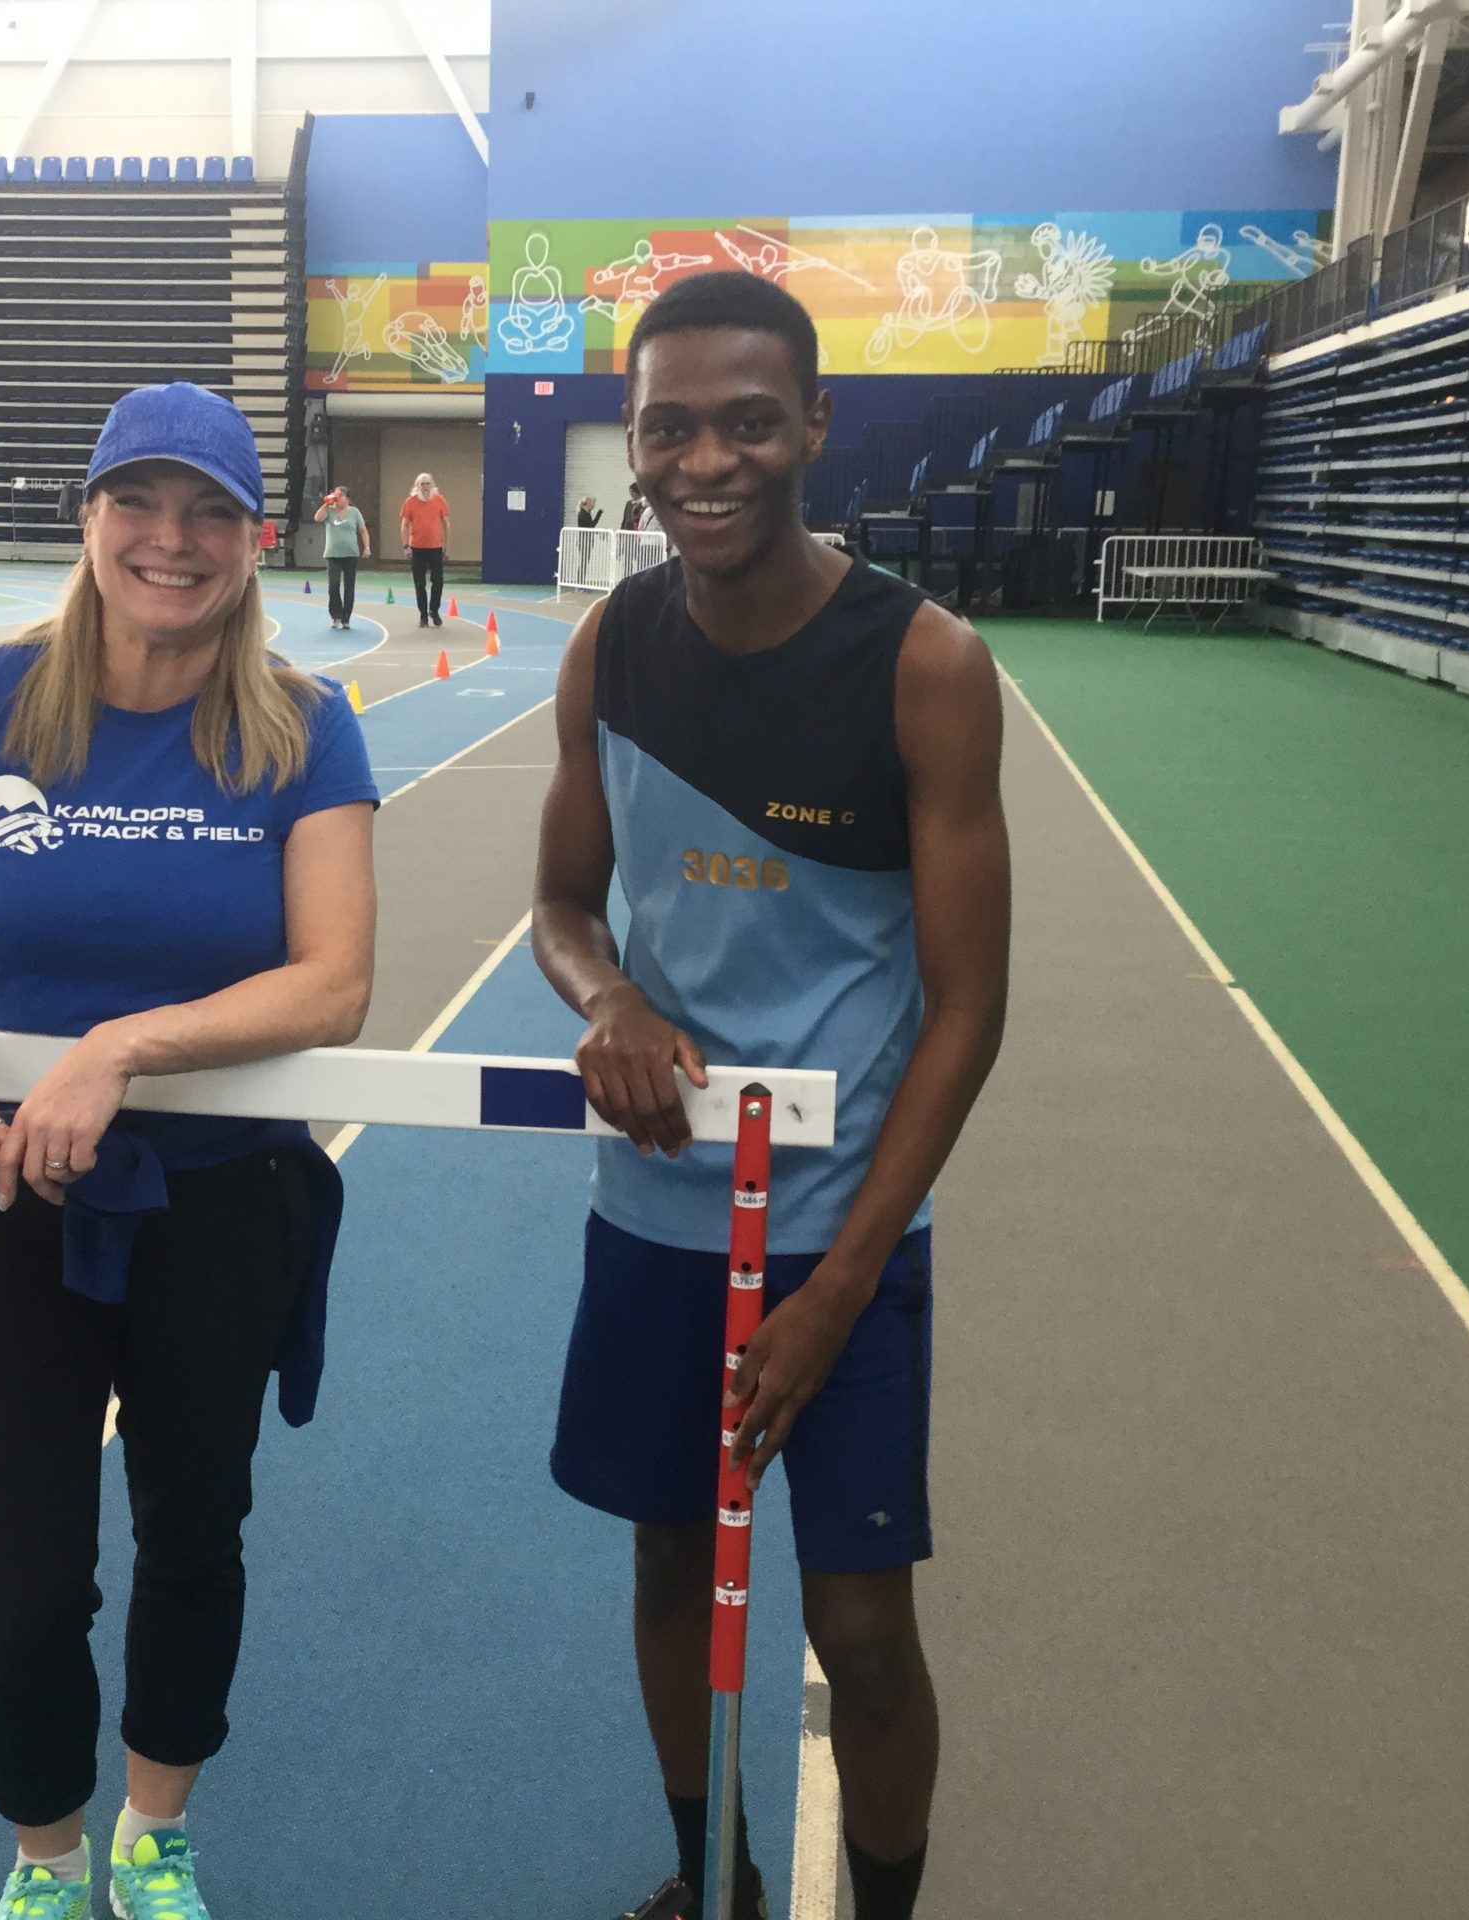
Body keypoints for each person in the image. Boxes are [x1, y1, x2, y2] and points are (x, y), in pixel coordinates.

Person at [0, 381, 379, 1920]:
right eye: (141, 505)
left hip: (216, 1203)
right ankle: (47, 1857)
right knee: (25, 1577)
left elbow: (335, 982)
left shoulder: (305, 729)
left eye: (209, 515)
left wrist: (119, 1050)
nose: (171, 543)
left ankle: (157, 1833)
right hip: (2, 1212)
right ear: (90, 520)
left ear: (256, 542)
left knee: (197, 1534)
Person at [532, 271, 1009, 1920]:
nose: (706, 461)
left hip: (847, 1239)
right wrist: (617, 1005)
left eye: (748, 423)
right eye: (671, 428)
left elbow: (967, 1010)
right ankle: (709, 1877)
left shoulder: (924, 667)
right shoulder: (610, 649)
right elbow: (562, 911)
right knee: (670, 1557)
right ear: (637, 447)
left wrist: (848, 1285)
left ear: (813, 427)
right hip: (656, 1219)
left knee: (864, 1634)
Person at [400, 471, 451, 627]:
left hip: (436, 547)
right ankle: (423, 615)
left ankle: (433, 610)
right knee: (419, 583)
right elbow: (404, 524)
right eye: (422, 484)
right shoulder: (410, 502)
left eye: (427, 483)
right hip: (417, 548)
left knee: (438, 581)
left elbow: (446, 524)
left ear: (432, 485)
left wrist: (446, 547)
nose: (425, 487)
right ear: (417, 486)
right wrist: (406, 546)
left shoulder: (440, 500)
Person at [314, 485, 370, 630]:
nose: (338, 499)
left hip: (350, 554)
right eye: (336, 496)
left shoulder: (354, 512)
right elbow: (317, 518)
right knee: (333, 585)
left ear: (347, 498)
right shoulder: (330, 511)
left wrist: (367, 547)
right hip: (333, 554)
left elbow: (363, 530)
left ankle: (346, 618)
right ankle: (336, 615)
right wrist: (326, 504)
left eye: (340, 496)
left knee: (349, 587)